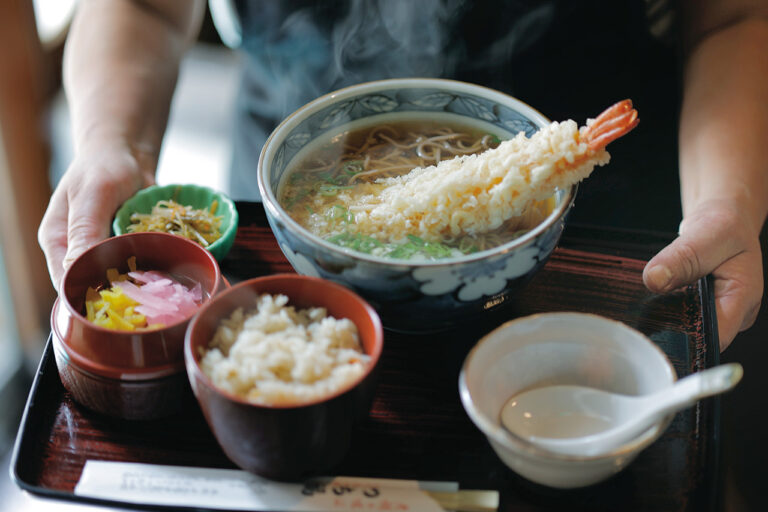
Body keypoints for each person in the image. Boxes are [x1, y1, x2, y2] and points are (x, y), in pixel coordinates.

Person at [38, 0, 768, 351]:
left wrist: (726, 203)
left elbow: (733, 17)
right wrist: (113, 144)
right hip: (282, 224)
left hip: (610, 245)